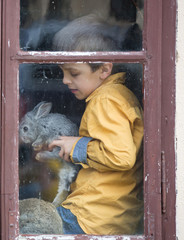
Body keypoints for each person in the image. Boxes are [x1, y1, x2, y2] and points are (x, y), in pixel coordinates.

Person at [48, 14, 144, 235]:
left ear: (104, 70)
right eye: (62, 72)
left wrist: (78, 146)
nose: (65, 80)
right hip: (111, 214)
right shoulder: (119, 95)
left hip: (90, 215)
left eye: (73, 73)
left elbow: (121, 156)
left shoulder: (105, 99)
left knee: (19, 224)